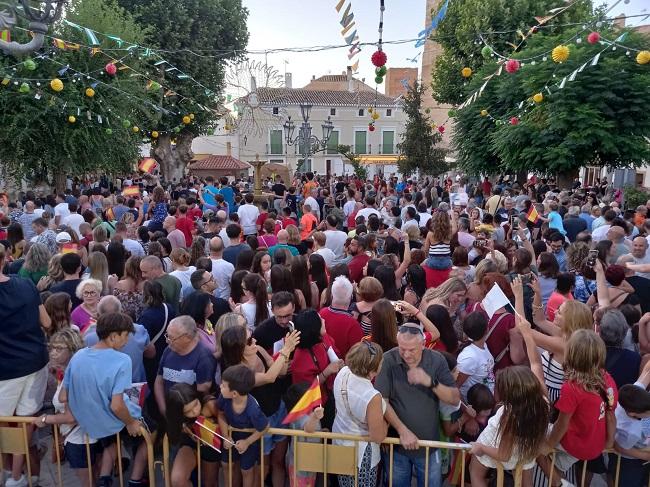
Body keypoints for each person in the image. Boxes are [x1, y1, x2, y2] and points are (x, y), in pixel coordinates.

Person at [61, 312, 145, 487]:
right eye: (125, 336)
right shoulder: (122, 360)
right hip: (112, 422)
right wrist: (130, 422)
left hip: (85, 422)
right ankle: (136, 479)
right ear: (113, 336)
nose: (127, 341)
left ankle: (106, 476)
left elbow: (63, 395)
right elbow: (116, 406)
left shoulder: (78, 356)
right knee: (152, 432)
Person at [375, 322, 460, 487]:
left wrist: (430, 382)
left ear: (423, 344)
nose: (406, 354)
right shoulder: (387, 359)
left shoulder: (436, 360)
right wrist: (402, 431)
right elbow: (381, 401)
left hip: (428, 446)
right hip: (397, 447)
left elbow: (454, 398)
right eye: (402, 348)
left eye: (411, 350)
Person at [537, 329, 617, 487]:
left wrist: (548, 445)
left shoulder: (573, 387)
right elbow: (610, 413)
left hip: (577, 444)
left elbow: (562, 423)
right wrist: (608, 441)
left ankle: (561, 484)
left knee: (535, 448)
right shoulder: (606, 378)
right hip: (595, 443)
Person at [0, 242, 50, 487]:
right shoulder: (26, 285)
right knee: (26, 420)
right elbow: (47, 321)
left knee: (7, 423)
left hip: (6, 370)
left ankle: (12, 474)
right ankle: (18, 476)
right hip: (34, 361)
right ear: (5, 260)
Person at [33, 329, 98, 487]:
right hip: (82, 438)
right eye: (52, 348)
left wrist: (45, 419)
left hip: (80, 440)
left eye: (59, 348)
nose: (53, 353)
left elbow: (71, 417)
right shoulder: (70, 372)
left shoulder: (74, 375)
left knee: (87, 482)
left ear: (73, 350)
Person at [469, 365, 550, 487]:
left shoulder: (509, 416)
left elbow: (504, 455)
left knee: (475, 473)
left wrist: (481, 448)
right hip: (525, 451)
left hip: (498, 449)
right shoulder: (543, 404)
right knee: (525, 479)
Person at [332, 341, 388, 487]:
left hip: (340, 443)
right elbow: (378, 436)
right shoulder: (372, 396)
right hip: (361, 455)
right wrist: (386, 422)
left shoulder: (343, 372)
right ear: (373, 370)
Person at [217, 364, 270, 487]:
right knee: (226, 464)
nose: (220, 387)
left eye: (224, 386)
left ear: (234, 394)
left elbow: (265, 427)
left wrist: (247, 442)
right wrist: (226, 436)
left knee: (246, 470)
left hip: (249, 442)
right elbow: (220, 414)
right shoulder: (224, 397)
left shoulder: (252, 410)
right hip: (230, 436)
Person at [154, 316, 216, 416]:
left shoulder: (204, 358)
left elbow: (203, 392)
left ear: (187, 337)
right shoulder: (168, 350)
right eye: (167, 336)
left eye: (171, 338)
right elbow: (159, 381)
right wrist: (163, 410)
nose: (167, 341)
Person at [165, 383, 220, 487]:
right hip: (190, 444)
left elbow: (227, 422)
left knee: (209, 483)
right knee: (178, 480)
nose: (195, 411)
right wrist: (182, 428)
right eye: (188, 411)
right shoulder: (175, 416)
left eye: (195, 404)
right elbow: (173, 437)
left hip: (211, 445)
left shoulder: (209, 404)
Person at [610, 362, 650, 486]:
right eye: (647, 413)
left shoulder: (634, 395)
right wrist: (645, 456)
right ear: (633, 414)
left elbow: (647, 371)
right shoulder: (630, 431)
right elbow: (619, 447)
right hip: (628, 462)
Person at [319, 276, 364, 357]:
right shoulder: (353, 325)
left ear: (332, 295)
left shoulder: (321, 314)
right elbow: (358, 355)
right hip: (344, 367)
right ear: (351, 297)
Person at [456, 312, 495, 401]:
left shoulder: (483, 345)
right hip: (475, 405)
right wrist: (467, 409)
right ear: (487, 329)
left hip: (486, 401)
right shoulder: (469, 358)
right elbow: (456, 387)